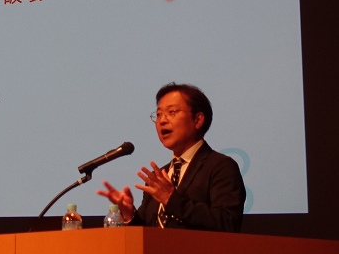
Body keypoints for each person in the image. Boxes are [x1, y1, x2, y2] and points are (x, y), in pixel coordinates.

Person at [97, 83, 246, 232]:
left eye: (171, 112)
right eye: (159, 114)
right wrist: (129, 215)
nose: (162, 120)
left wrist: (171, 199)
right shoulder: (159, 178)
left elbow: (227, 223)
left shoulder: (220, 166)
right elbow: (147, 233)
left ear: (198, 120)